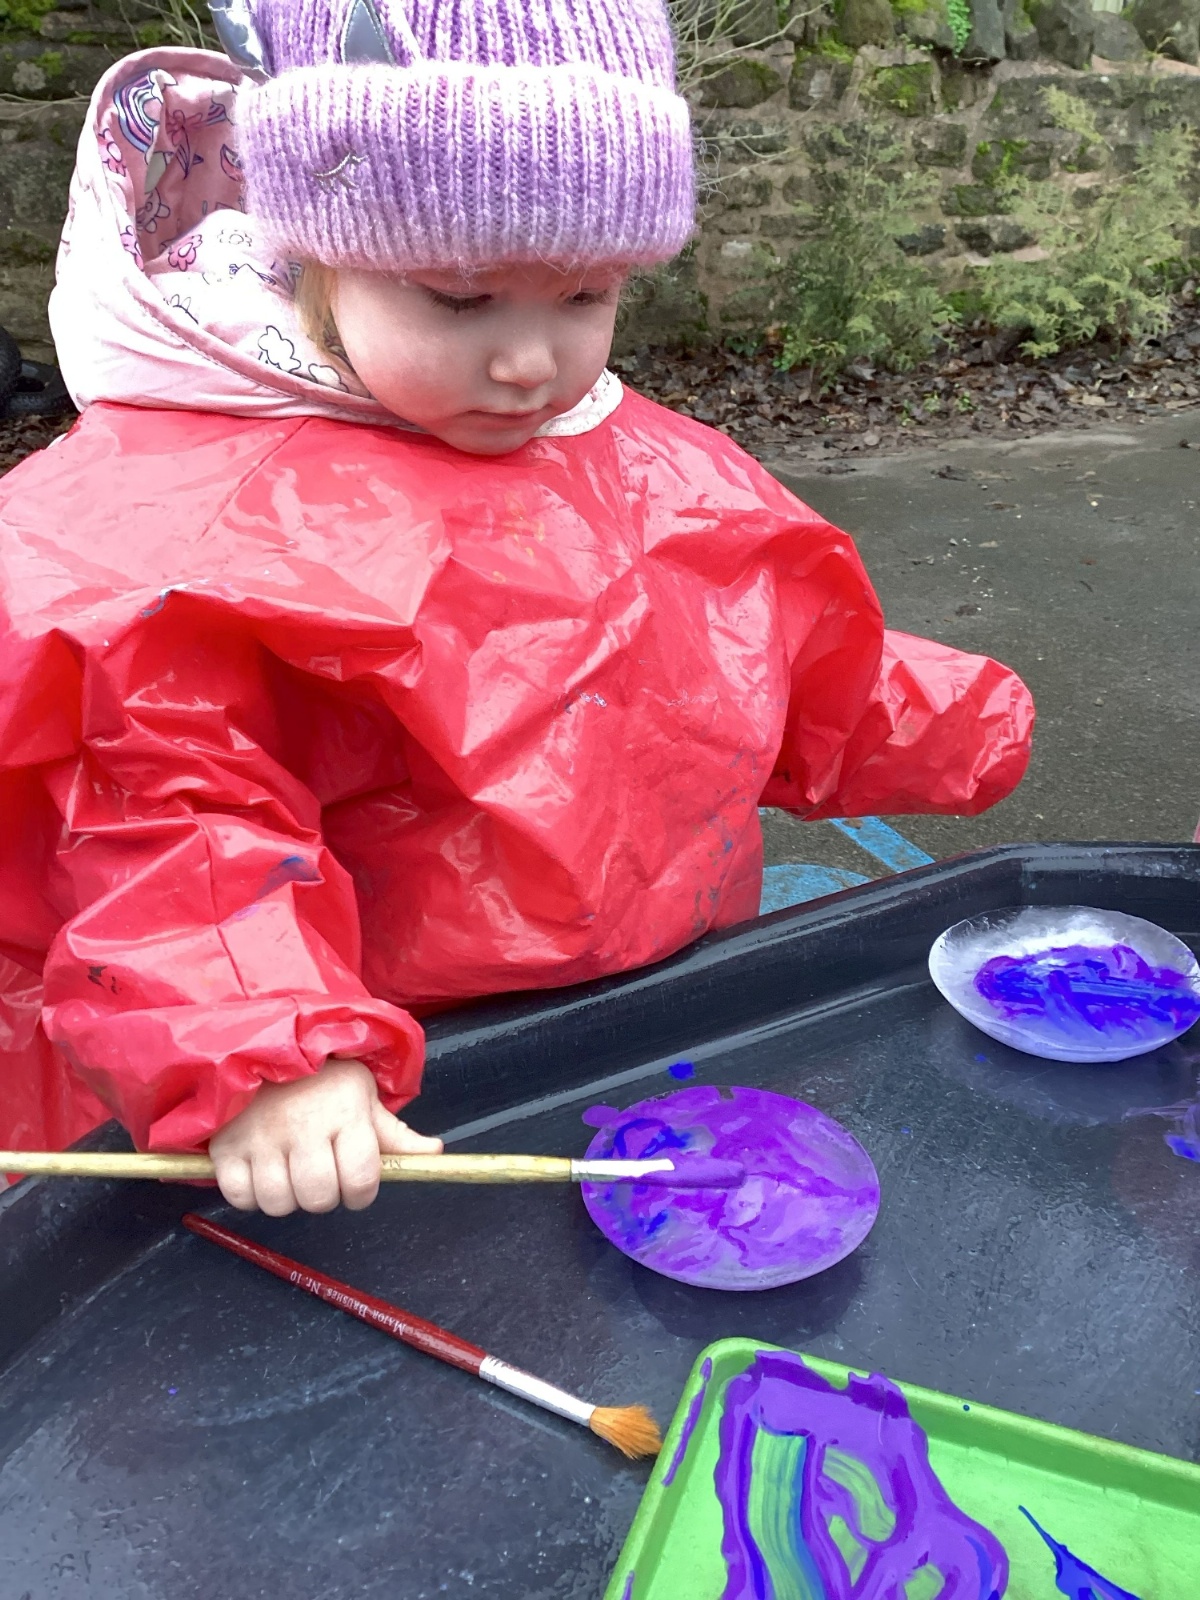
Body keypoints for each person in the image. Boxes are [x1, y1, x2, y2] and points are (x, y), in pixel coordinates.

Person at [0, 0, 1033, 1215]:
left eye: (586, 295)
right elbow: (160, 806)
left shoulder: (614, 443)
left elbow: (745, 631)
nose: (531, 361)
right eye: (460, 298)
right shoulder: (200, 516)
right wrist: (267, 1045)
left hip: (649, 1018)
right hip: (380, 1100)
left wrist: (953, 720)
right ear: (318, 256)